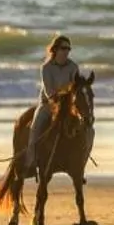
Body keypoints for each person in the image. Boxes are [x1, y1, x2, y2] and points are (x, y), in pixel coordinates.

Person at [23, 34, 81, 173]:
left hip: (68, 106)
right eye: (63, 48)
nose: (66, 51)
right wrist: (59, 99)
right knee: (36, 126)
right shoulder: (46, 67)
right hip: (48, 104)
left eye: (68, 49)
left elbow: (75, 88)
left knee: (85, 127)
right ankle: (31, 161)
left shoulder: (73, 67)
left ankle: (80, 164)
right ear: (55, 50)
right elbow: (49, 92)